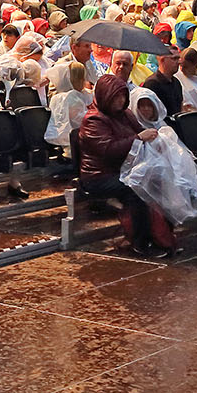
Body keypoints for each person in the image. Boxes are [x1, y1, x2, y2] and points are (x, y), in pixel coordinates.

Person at [78, 74, 170, 258]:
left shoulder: (125, 114)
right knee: (135, 189)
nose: (120, 101)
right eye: (116, 97)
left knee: (161, 178)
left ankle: (164, 236)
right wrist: (137, 138)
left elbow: (140, 132)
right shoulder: (94, 120)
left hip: (124, 169)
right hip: (99, 176)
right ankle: (140, 243)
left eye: (122, 96)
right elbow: (108, 149)